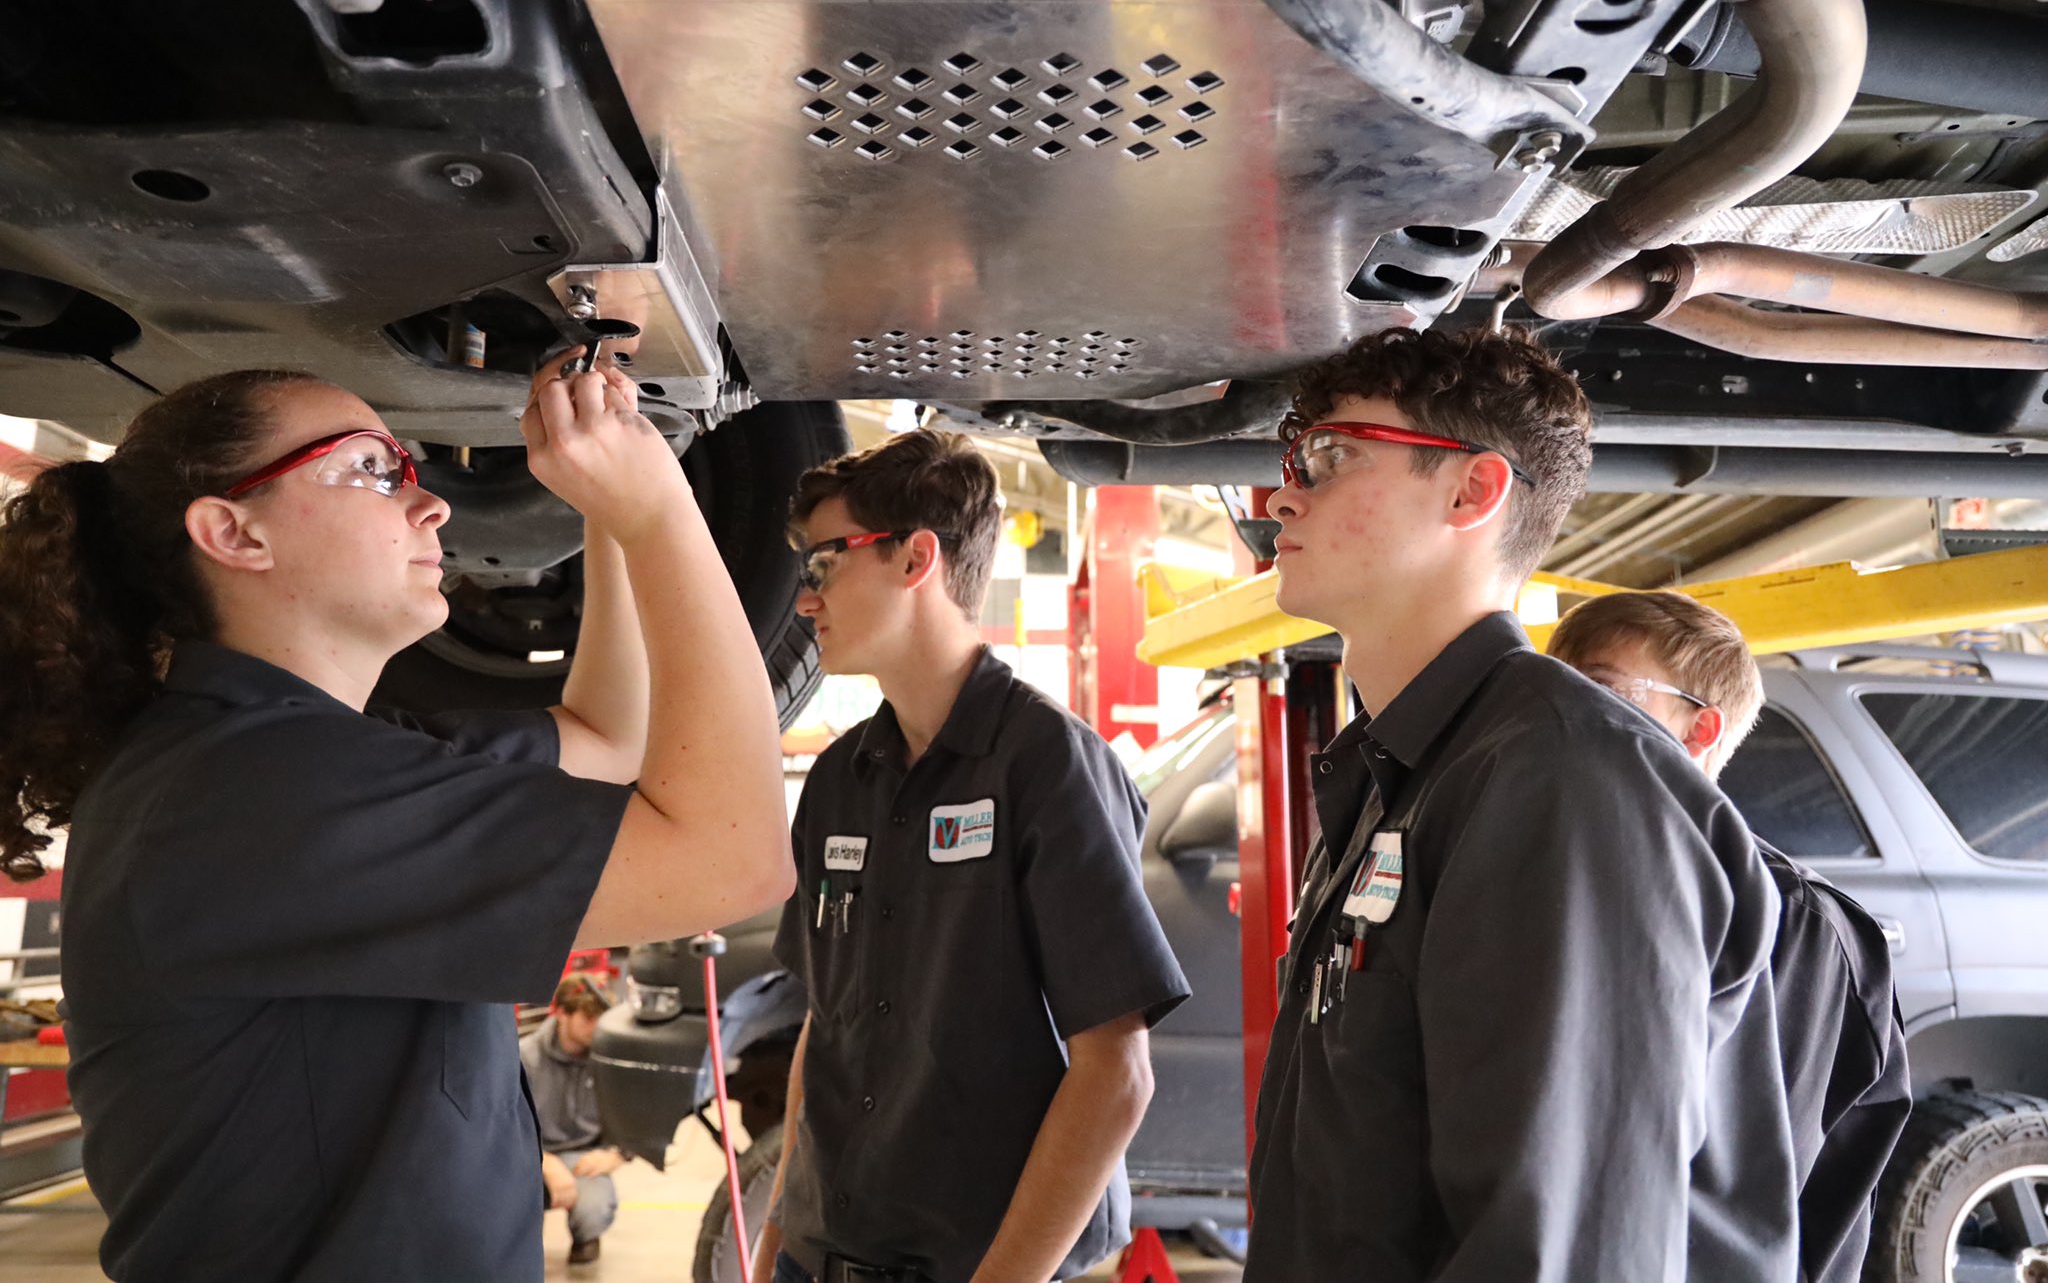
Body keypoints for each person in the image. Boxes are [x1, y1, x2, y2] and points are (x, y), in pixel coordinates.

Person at [0, 351, 794, 1282]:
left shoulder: (295, 765)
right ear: (234, 533)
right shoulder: (256, 795)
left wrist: (614, 514)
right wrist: (659, 509)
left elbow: (606, 735)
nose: (431, 506)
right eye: (372, 469)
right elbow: (735, 860)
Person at [1243, 325, 1798, 1283]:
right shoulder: (1407, 772)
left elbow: (1566, 1252)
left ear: (1473, 490)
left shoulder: (1563, 782)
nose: (1281, 494)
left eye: (1333, 456)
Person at [753, 430, 1191, 1283]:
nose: (805, 602)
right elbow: (826, 1025)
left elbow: (1115, 1074)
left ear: (916, 557)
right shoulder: (841, 778)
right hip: (823, 1255)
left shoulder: (1046, 764)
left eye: (822, 566)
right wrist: (779, 1228)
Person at [1549, 589, 1912, 1283]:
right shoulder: (1562, 884)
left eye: (1599, 693)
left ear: (1700, 728)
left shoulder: (1794, 923)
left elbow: (1754, 1198)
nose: (1564, 719)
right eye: (1555, 692)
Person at [523, 973, 631, 1266]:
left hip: (583, 1156)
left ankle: (586, 1237)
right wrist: (545, 1161)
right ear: (561, 1013)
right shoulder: (524, 1058)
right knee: (513, 1209)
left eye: (600, 1018)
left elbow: (631, 1113)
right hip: (529, 1156)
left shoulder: (609, 1059)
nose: (596, 1027)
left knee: (594, 1208)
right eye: (587, 1018)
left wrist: (618, 1154)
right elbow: (506, 1128)